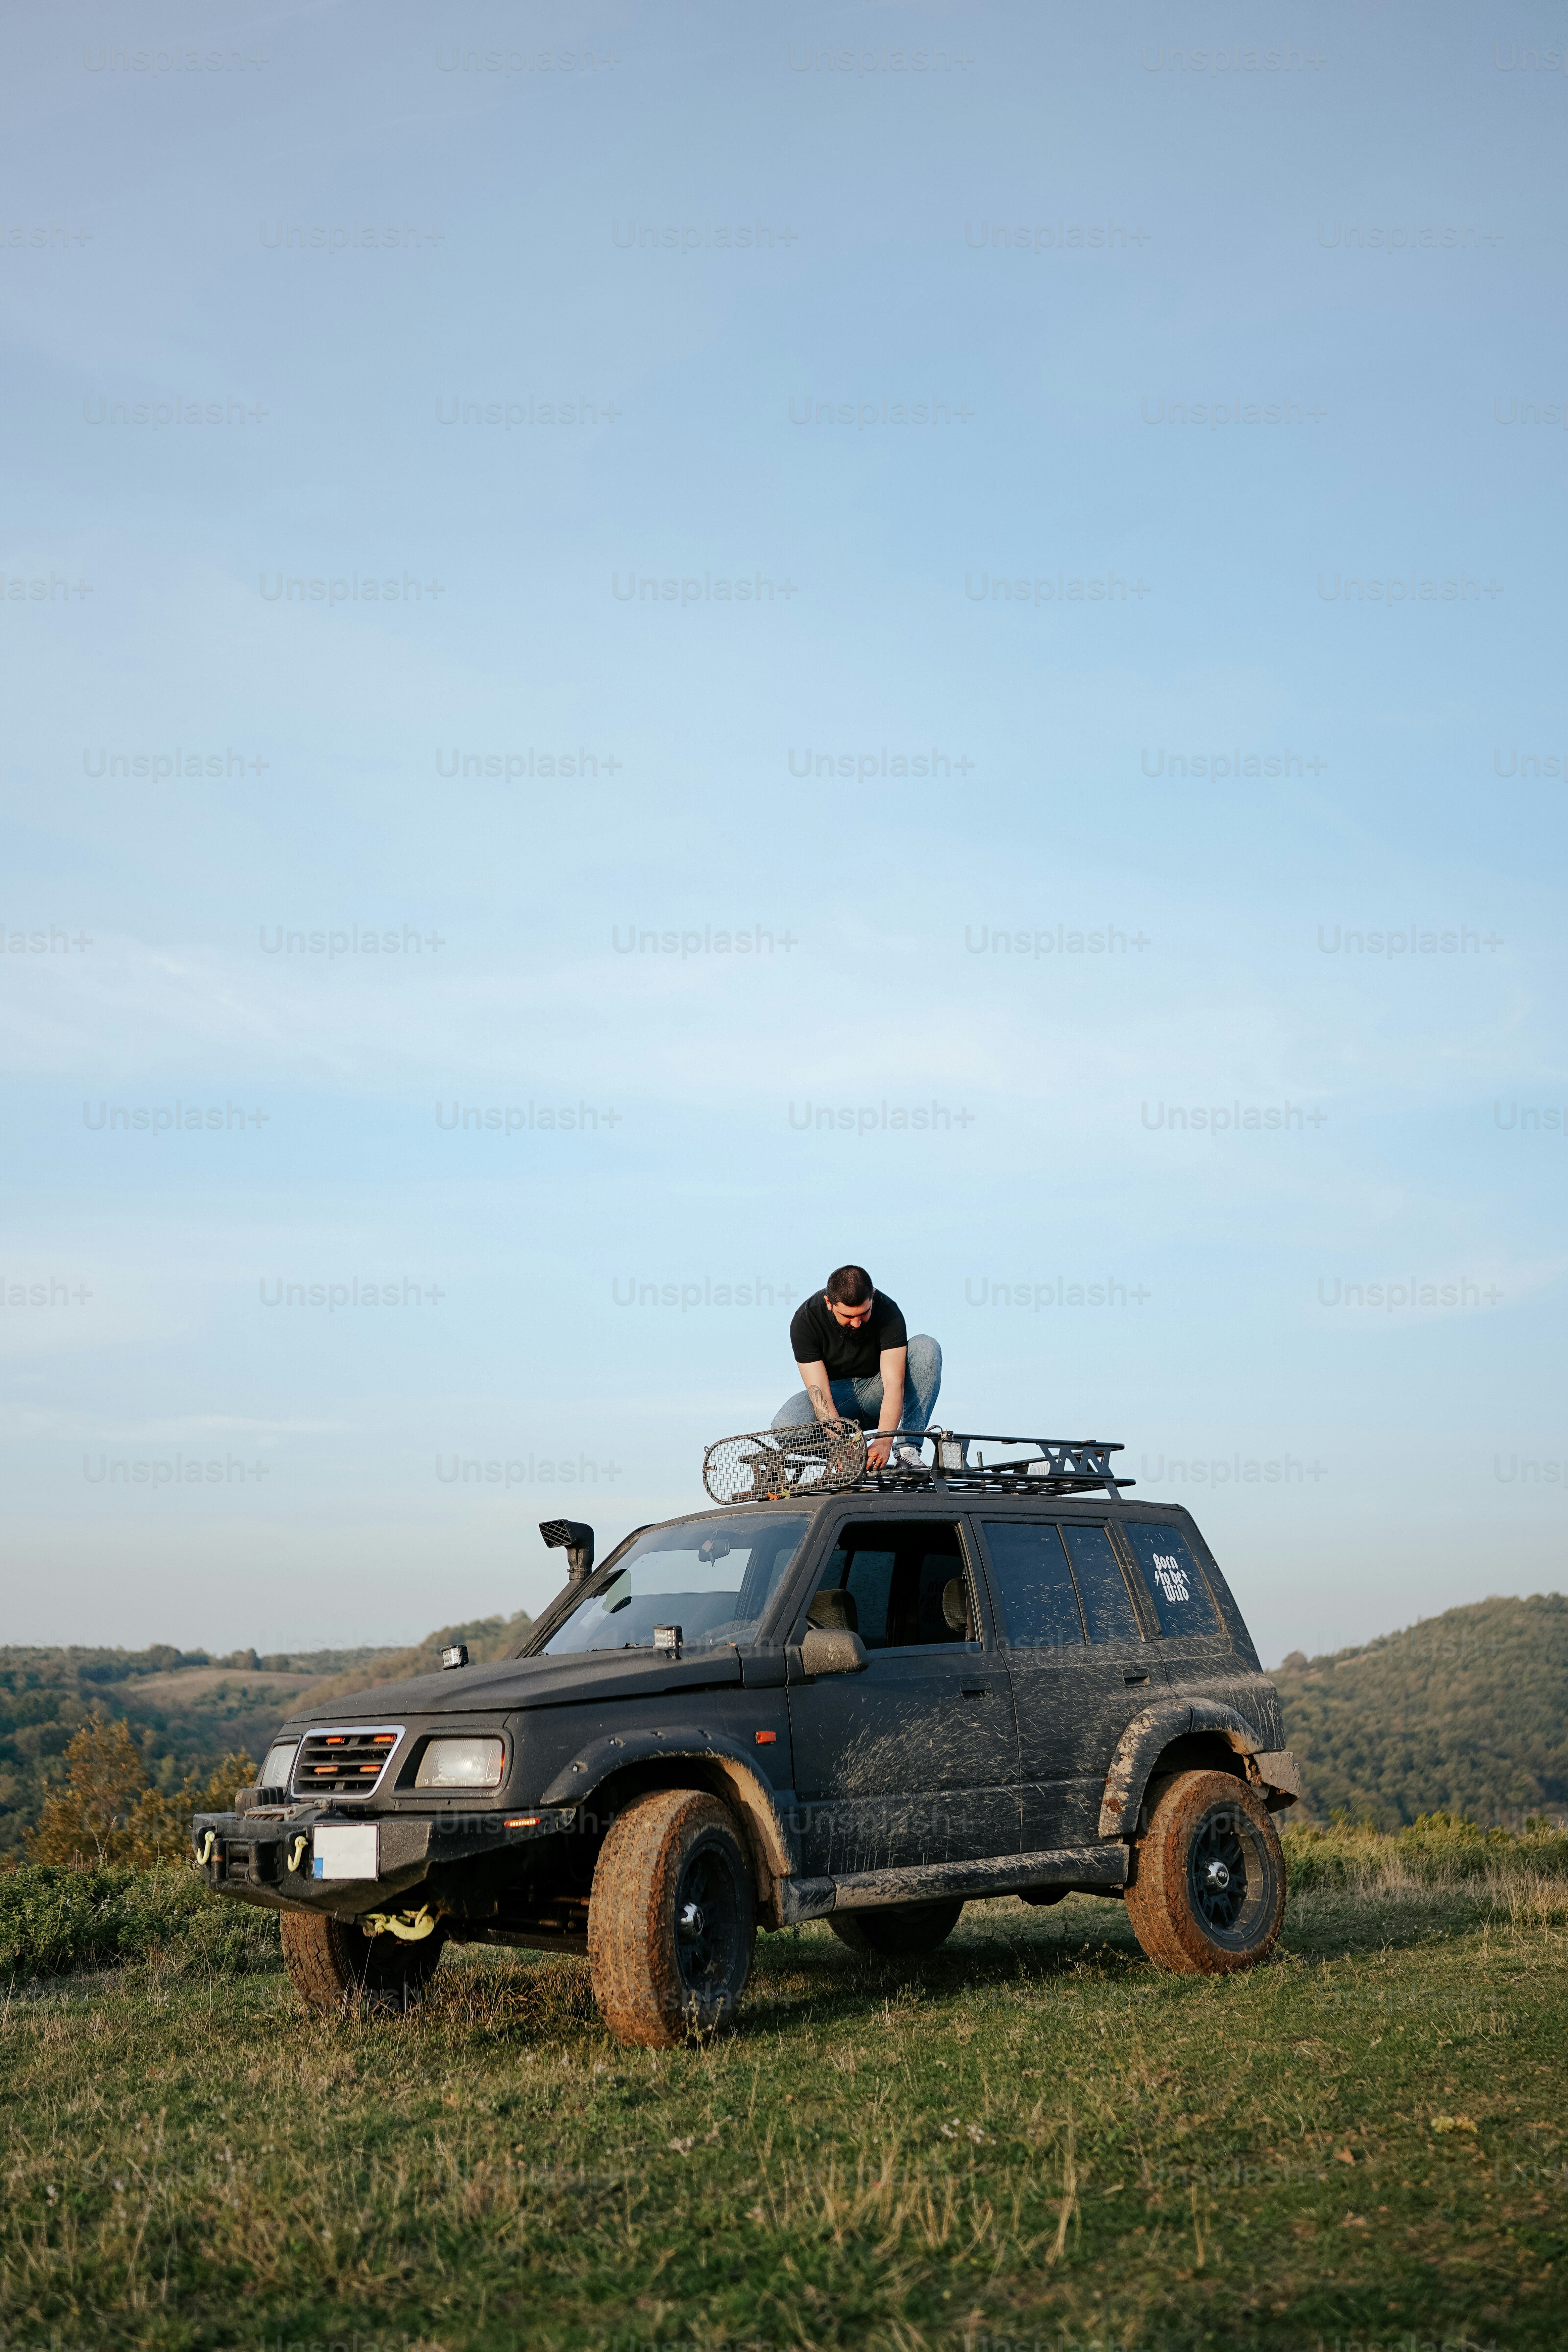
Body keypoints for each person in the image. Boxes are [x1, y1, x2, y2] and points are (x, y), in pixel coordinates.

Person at [773, 1264, 942, 1471]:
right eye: (847, 1316)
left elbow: (893, 1384)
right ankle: (852, 1454)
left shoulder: (889, 1312)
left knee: (926, 1347)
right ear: (829, 1303)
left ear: (872, 1296)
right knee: (785, 1426)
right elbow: (821, 1394)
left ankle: (907, 1451)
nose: (856, 1323)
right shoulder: (805, 1321)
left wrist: (884, 1440)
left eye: (863, 1314)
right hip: (838, 1397)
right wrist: (840, 1447)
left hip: (877, 1390)